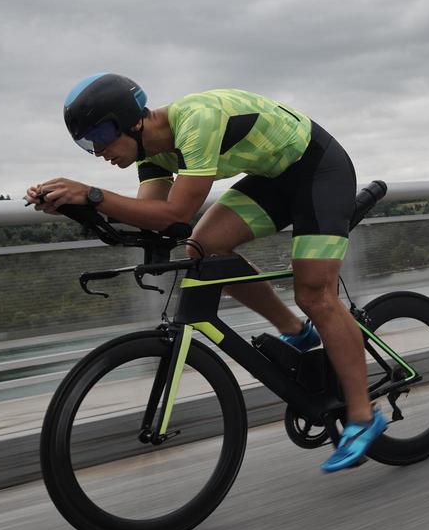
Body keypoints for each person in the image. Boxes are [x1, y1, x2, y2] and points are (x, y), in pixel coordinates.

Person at [25, 72, 385, 472]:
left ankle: (362, 417)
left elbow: (175, 212)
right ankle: (298, 332)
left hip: (318, 169)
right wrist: (78, 207)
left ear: (130, 120)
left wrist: (92, 193)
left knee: (315, 294)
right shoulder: (151, 153)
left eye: (100, 136)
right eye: (87, 144)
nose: (98, 152)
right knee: (202, 248)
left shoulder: (196, 122)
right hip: (274, 180)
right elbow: (151, 219)